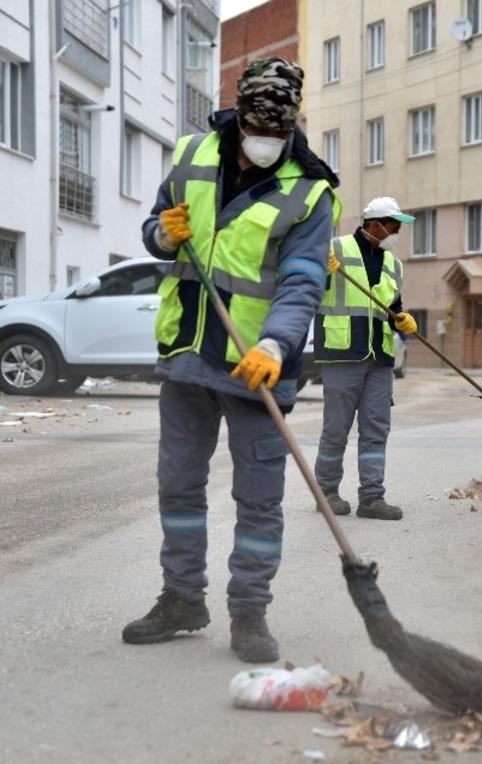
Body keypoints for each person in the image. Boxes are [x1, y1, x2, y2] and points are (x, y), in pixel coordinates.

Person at [122, 58, 340, 663]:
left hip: (255, 367)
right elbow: (154, 228)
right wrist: (161, 236)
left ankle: (249, 613)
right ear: (239, 117)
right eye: (258, 128)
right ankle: (182, 599)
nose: (267, 141)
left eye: (280, 130)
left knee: (259, 496)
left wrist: (276, 344)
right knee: (179, 487)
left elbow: (300, 284)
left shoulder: (310, 190)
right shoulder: (192, 155)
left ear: (293, 123)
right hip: (189, 354)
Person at [312, 197, 418, 521]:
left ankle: (371, 498)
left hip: (380, 358)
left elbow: (392, 306)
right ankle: (326, 492)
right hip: (342, 352)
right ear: (376, 225)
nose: (397, 233)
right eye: (394, 227)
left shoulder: (393, 265)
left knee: (375, 430)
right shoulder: (335, 250)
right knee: (336, 429)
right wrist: (319, 270)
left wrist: (401, 319)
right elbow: (304, 287)